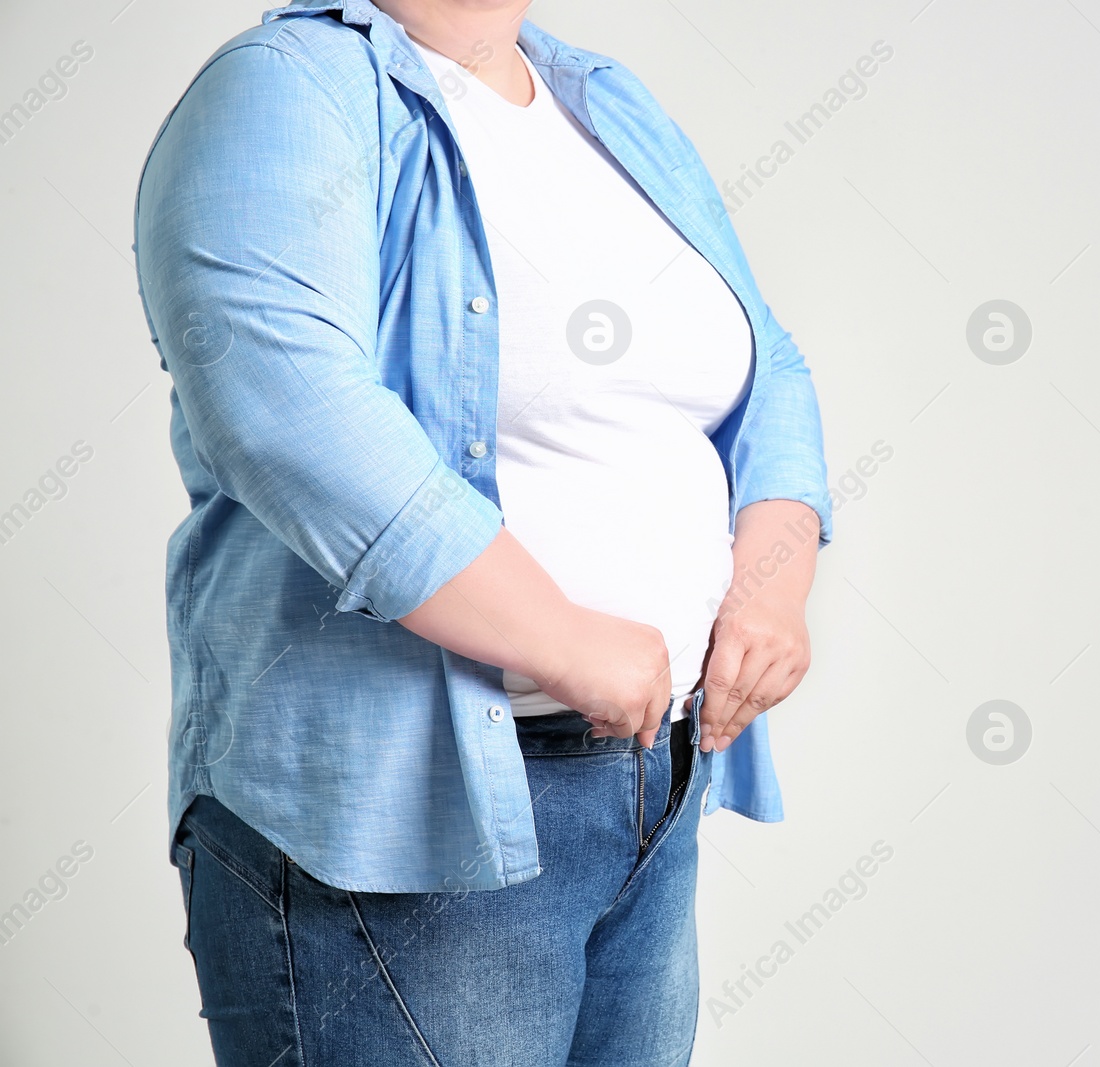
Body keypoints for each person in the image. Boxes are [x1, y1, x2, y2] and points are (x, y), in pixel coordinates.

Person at [132, 0, 832, 1062]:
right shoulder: (286, 87)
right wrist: (558, 636)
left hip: (649, 783)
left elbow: (765, 360)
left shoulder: (602, 101)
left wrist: (771, 582)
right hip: (405, 828)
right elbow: (281, 402)